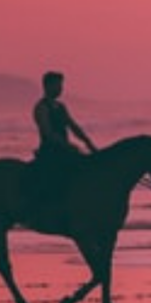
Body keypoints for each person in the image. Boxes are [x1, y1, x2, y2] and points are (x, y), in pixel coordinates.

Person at [26, 70, 96, 210]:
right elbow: (48, 132)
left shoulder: (61, 106)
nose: (60, 89)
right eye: (57, 86)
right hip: (50, 150)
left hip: (64, 149)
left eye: (61, 86)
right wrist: (67, 145)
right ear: (47, 86)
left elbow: (73, 126)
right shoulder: (41, 108)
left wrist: (88, 142)